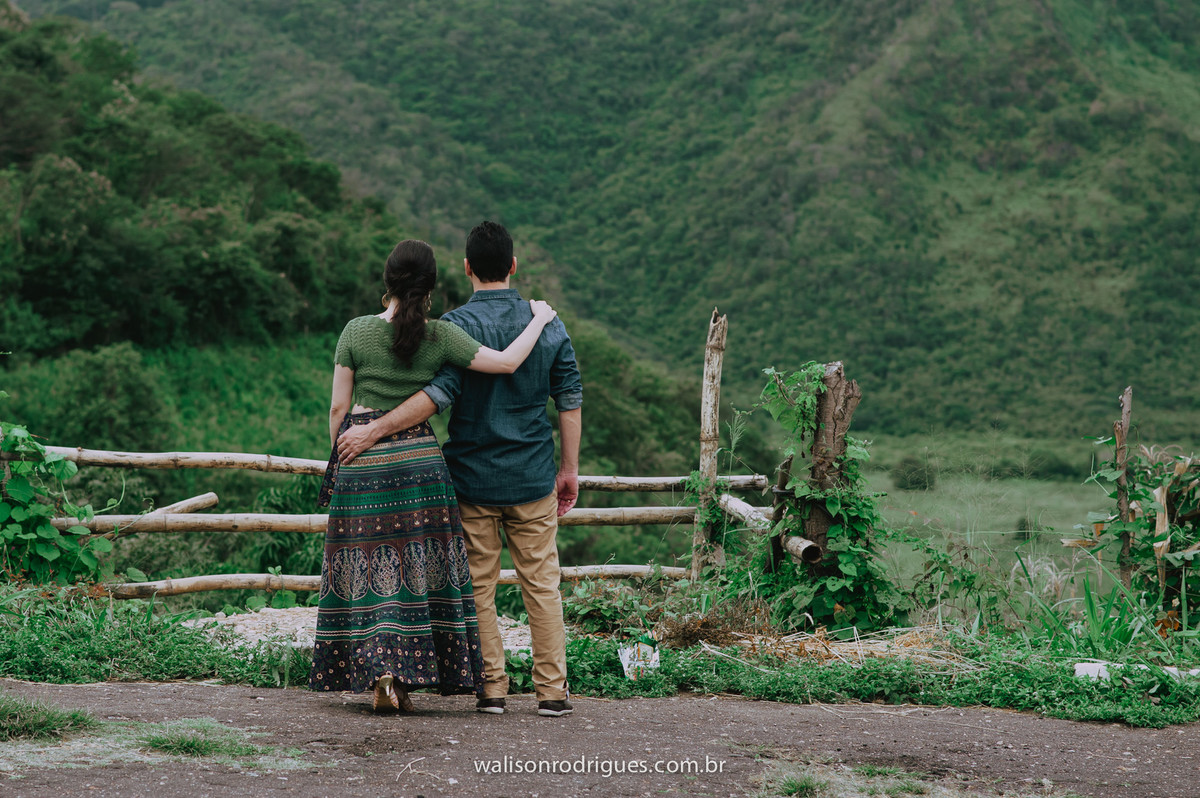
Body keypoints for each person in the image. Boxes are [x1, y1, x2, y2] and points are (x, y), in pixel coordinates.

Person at [336, 220, 582, 718]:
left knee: (480, 587)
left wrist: (371, 431)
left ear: (467, 268)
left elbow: (437, 397)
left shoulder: (455, 326)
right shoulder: (548, 322)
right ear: (513, 266)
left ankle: (492, 689)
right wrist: (569, 469)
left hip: (470, 477)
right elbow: (570, 400)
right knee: (542, 584)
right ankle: (552, 693)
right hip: (533, 475)